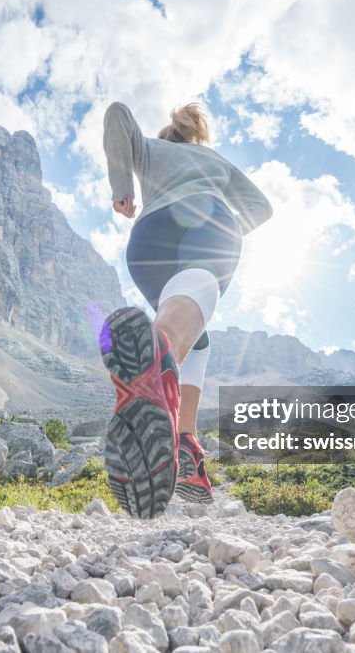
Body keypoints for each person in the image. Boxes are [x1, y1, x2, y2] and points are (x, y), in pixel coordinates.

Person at [99, 100, 273, 518]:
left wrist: (123, 190)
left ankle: (183, 443)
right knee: (191, 306)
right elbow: (262, 208)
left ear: (166, 137)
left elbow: (119, 114)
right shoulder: (212, 159)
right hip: (208, 220)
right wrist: (228, 224)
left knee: (196, 340)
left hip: (147, 241)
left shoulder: (152, 151)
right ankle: (156, 360)